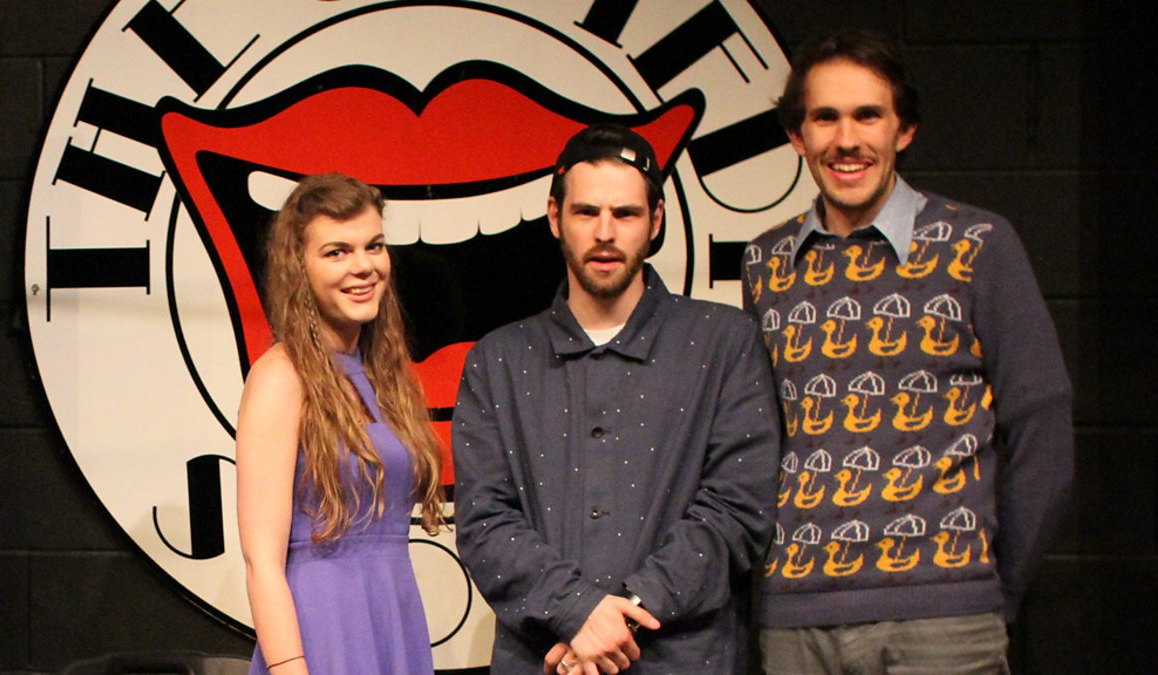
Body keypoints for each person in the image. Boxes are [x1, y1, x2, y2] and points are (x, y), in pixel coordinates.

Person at [742, 29, 1074, 673]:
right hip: (796, 622)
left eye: (868, 115)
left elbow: (1043, 424)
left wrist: (990, 589)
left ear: (905, 130)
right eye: (825, 117)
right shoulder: (766, 262)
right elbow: (758, 440)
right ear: (797, 137)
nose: (846, 139)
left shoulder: (977, 244)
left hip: (944, 621)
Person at [453, 123, 780, 675]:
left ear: (656, 221)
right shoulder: (498, 360)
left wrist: (617, 621)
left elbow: (738, 509)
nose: (605, 233)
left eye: (625, 214)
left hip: (685, 661)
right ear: (555, 217)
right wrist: (576, 611)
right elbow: (484, 521)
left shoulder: (724, 342)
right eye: (586, 212)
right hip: (544, 661)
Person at [236, 173, 445, 674]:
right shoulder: (281, 377)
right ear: (299, 267)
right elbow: (262, 561)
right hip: (322, 629)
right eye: (337, 252)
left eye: (374, 246)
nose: (363, 266)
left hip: (393, 618)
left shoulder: (385, 375)